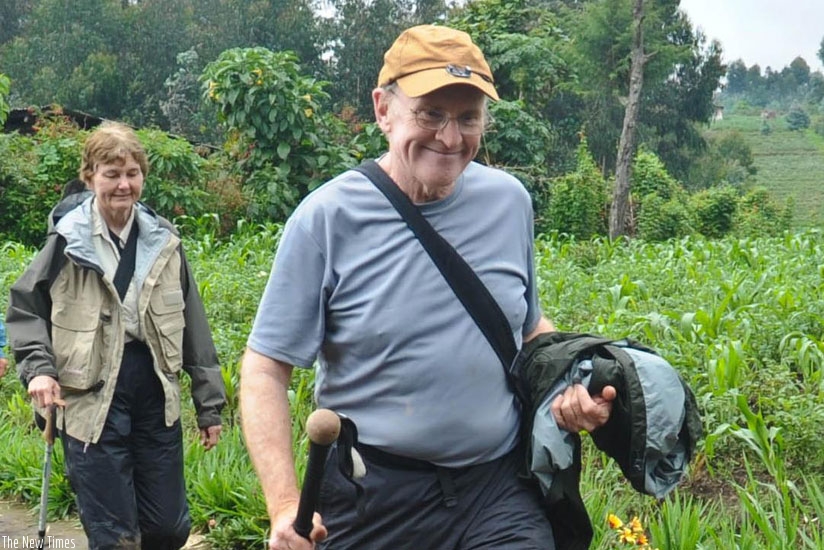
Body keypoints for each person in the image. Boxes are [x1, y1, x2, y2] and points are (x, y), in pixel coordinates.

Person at [240, 24, 617, 550]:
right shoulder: (326, 219)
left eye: (468, 118)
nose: (450, 137)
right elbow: (263, 368)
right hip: (372, 496)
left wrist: (569, 386)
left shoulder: (509, 203)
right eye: (430, 114)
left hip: (497, 490)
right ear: (383, 110)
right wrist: (283, 505)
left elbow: (529, 329)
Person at [6, 121, 226, 550]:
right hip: (88, 397)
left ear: (142, 176)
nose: (123, 185)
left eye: (131, 174)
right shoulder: (66, 241)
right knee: (116, 537)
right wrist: (38, 371)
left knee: (168, 529)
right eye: (111, 174)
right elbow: (25, 309)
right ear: (90, 178)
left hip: (154, 392)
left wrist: (209, 405)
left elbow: (193, 325)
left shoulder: (164, 241)